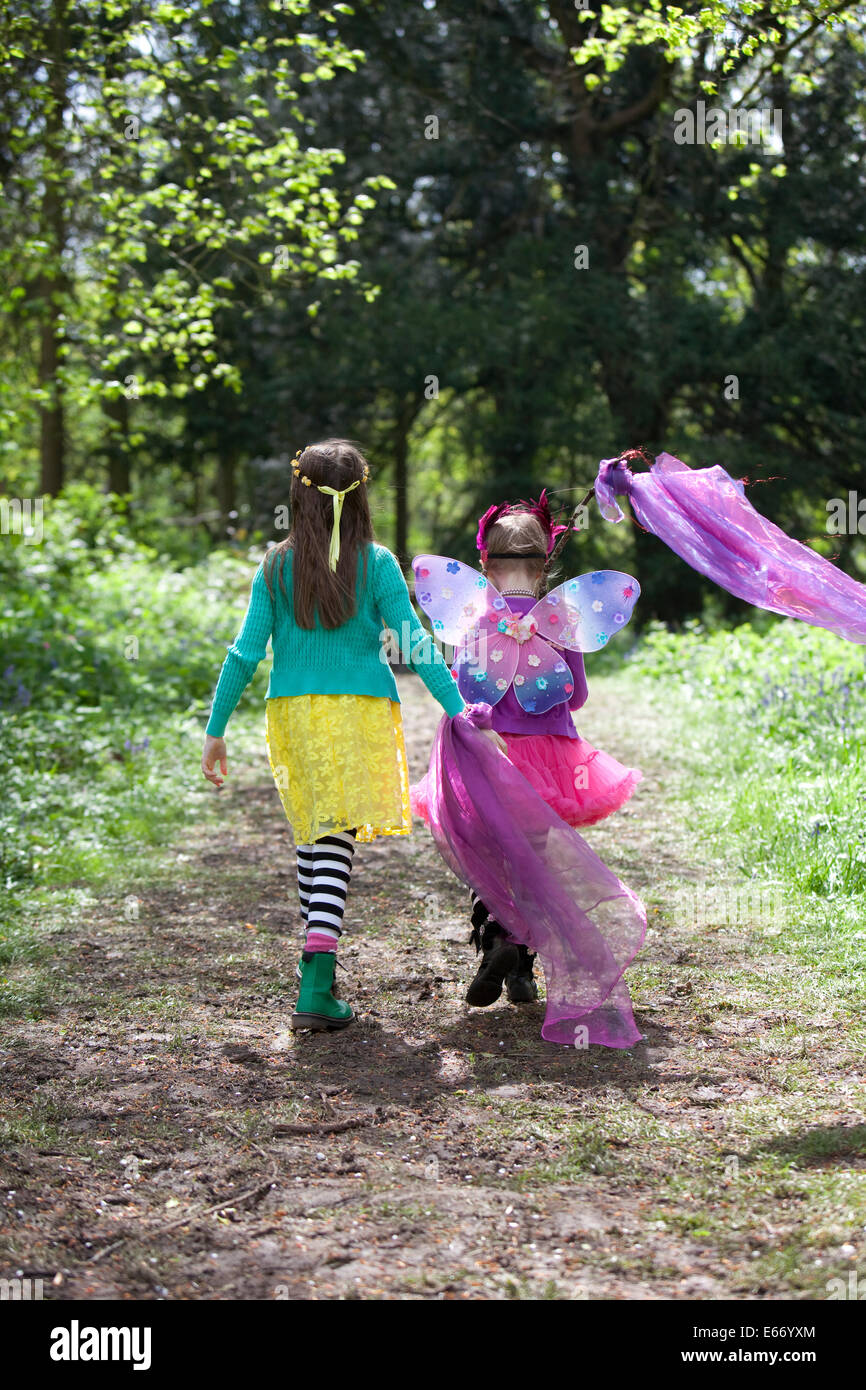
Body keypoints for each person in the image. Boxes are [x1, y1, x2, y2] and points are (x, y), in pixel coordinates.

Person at [201, 439, 501, 1032]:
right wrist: (458, 708)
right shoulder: (378, 563)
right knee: (333, 838)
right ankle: (316, 978)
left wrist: (216, 729)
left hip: (293, 715)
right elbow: (415, 643)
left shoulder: (275, 566)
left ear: (298, 497)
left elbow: (243, 653)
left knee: (316, 835)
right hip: (360, 712)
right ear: (360, 498)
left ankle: (317, 974)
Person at [412, 492, 641, 1009]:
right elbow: (575, 695)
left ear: (485, 567)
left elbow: (461, 689)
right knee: (530, 861)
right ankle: (521, 970)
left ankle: (495, 940)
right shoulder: (563, 621)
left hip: (488, 756)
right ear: (545, 568)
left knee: (490, 855)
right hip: (545, 762)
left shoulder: (472, 616)